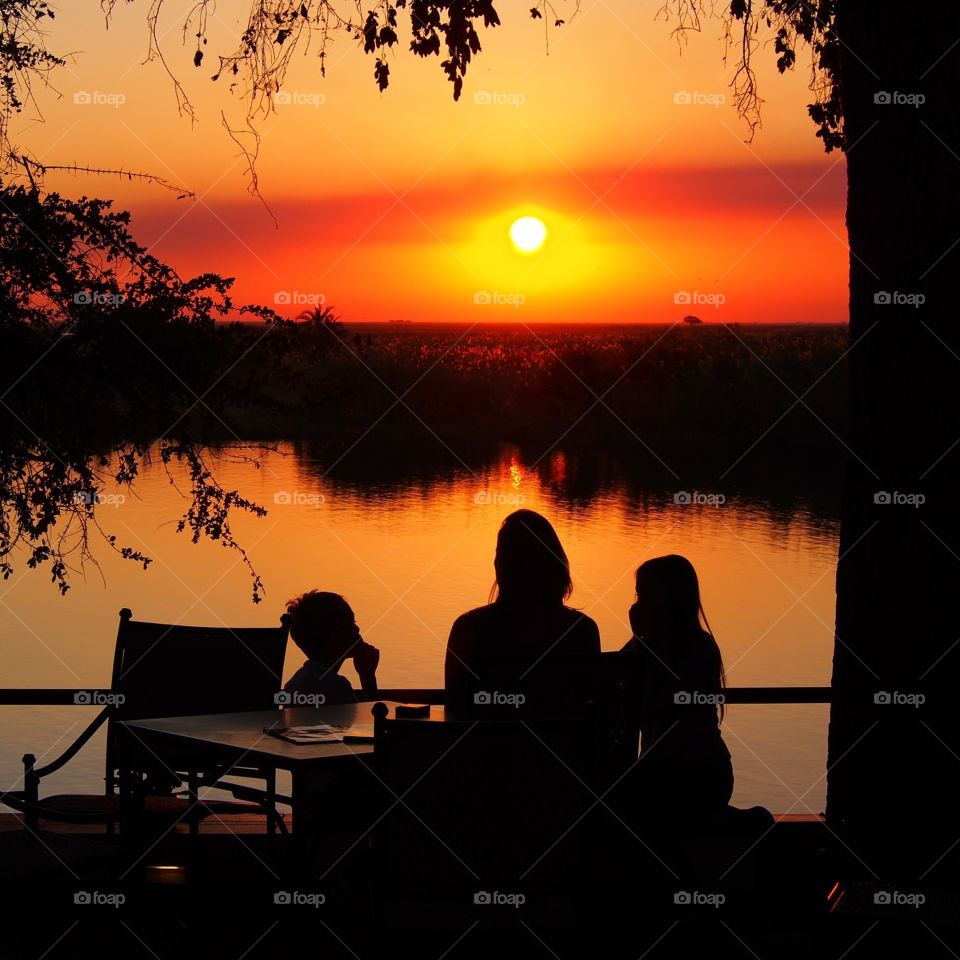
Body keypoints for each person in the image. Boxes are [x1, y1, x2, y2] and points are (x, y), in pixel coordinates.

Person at [444, 509, 600, 714]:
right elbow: (591, 709)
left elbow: (454, 709)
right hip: (562, 735)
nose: (497, 561)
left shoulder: (468, 629)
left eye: (502, 554)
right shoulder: (582, 630)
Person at [617, 555, 733, 823]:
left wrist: (645, 642)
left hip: (702, 768)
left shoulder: (701, 649)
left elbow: (664, 705)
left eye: (647, 595)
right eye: (638, 595)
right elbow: (613, 678)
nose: (638, 605)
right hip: (657, 767)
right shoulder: (643, 646)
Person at [283, 590, 379, 703]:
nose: (357, 629)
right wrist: (367, 676)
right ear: (335, 634)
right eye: (350, 622)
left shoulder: (294, 683)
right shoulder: (335, 687)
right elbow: (374, 714)